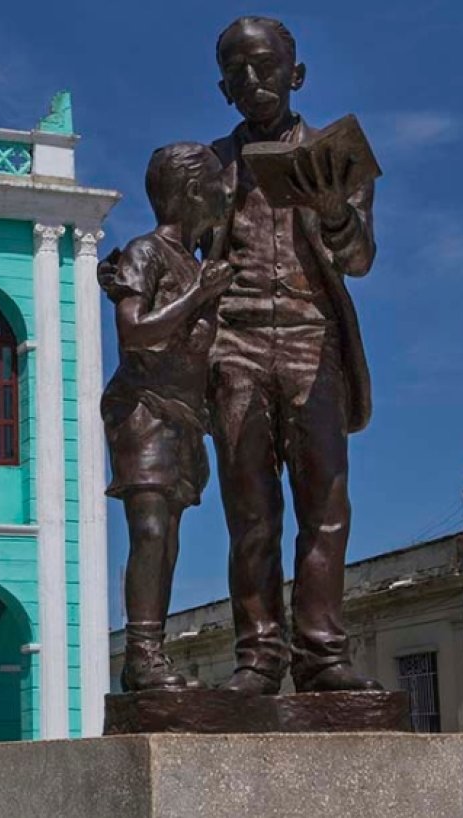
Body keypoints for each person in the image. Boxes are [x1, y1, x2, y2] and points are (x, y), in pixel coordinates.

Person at [205, 16, 380, 694]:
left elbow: (359, 258)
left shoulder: (339, 154)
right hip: (236, 343)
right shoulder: (209, 167)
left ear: (295, 72)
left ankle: (322, 653)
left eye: (267, 65)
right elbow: (182, 251)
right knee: (250, 511)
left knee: (326, 503)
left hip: (314, 341)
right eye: (239, 70)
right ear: (223, 87)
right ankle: (258, 656)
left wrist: (335, 208)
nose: (255, 79)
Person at [101, 141, 234, 691]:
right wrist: (198, 297)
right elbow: (134, 333)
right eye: (212, 187)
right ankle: (141, 655)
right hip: (143, 408)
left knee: (169, 536)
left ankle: (148, 652)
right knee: (151, 530)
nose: (222, 196)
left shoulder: (195, 260)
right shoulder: (146, 252)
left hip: (184, 416)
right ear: (188, 193)